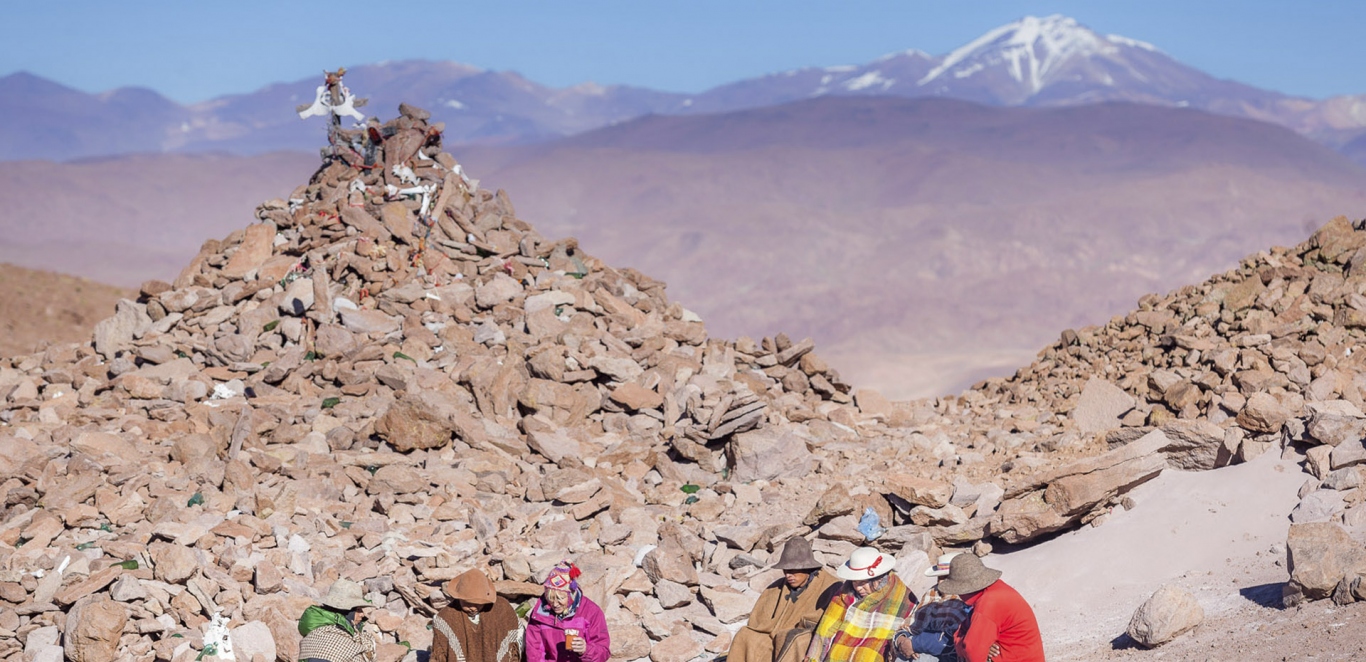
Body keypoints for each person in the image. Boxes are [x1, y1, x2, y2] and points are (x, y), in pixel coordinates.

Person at [730, 537, 842, 662]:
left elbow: (828, 622)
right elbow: (759, 618)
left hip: (806, 637)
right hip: (774, 632)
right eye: (786, 571)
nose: (788, 575)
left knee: (792, 639)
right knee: (745, 635)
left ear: (807, 568)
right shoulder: (778, 586)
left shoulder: (831, 587)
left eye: (793, 571)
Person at [806, 547, 916, 662]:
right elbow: (824, 632)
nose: (858, 588)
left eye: (863, 582)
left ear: (878, 578)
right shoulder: (844, 594)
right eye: (854, 582)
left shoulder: (901, 598)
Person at [936, 554, 1044, 662]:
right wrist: (976, 644)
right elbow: (962, 633)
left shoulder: (989, 603)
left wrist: (974, 645)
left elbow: (972, 651)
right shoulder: (995, 589)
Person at [524, 561, 611, 662]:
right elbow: (535, 653)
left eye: (560, 598)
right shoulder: (539, 615)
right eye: (550, 598)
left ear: (571, 595)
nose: (555, 604)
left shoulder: (591, 612)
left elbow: (603, 651)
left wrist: (585, 650)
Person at [892, 553, 970, 662]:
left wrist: (915, 644)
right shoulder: (932, 593)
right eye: (939, 577)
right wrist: (902, 641)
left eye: (947, 577)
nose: (940, 582)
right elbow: (910, 625)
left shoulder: (966, 598)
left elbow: (953, 639)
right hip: (922, 648)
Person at [432, 569, 522, 662]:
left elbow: (515, 641)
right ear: (459, 598)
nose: (473, 608)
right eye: (467, 603)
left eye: (478, 603)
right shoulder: (446, 617)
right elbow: (438, 654)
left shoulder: (502, 609)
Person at [298, 579, 378, 662]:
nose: (362, 614)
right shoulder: (330, 642)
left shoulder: (321, 634)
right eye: (358, 610)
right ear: (346, 610)